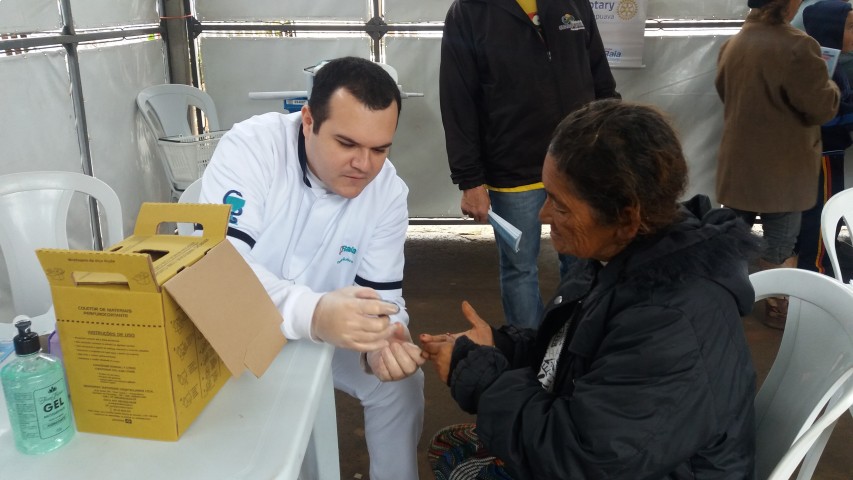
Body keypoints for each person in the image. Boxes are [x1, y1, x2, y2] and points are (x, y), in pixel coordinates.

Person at [420, 99, 760, 479]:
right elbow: (574, 356)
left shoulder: (672, 319)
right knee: (452, 445)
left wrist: (480, 378)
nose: (543, 214)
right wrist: (500, 348)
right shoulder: (618, 255)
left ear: (626, 217)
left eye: (561, 205)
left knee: (458, 460)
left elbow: (581, 458)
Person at [199, 56, 425, 480]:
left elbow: (383, 297)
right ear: (307, 120)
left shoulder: (388, 191)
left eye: (380, 149)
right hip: (235, 328)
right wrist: (314, 313)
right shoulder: (252, 148)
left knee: (399, 386)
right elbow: (217, 269)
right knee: (277, 448)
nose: (364, 165)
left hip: (323, 329)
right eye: (347, 143)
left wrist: (384, 340)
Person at [439, 0, 620, 329]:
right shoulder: (469, 11)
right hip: (512, 169)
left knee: (582, 260)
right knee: (519, 268)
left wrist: (612, 140)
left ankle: (574, 343)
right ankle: (528, 349)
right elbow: (457, 100)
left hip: (576, 163)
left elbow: (599, 74)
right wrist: (470, 180)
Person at [715, 0, 840, 329]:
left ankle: (726, 303)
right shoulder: (800, 46)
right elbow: (821, 107)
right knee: (780, 244)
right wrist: (832, 85)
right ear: (790, 3)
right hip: (784, 167)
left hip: (739, 162)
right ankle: (777, 306)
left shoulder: (735, 42)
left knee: (735, 240)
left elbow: (724, 92)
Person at [797, 0, 853, 279]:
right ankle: (816, 271)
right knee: (822, 214)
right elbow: (823, 117)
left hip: (817, 152)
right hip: (825, 152)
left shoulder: (820, 61)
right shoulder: (825, 67)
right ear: (830, 29)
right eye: (851, 26)